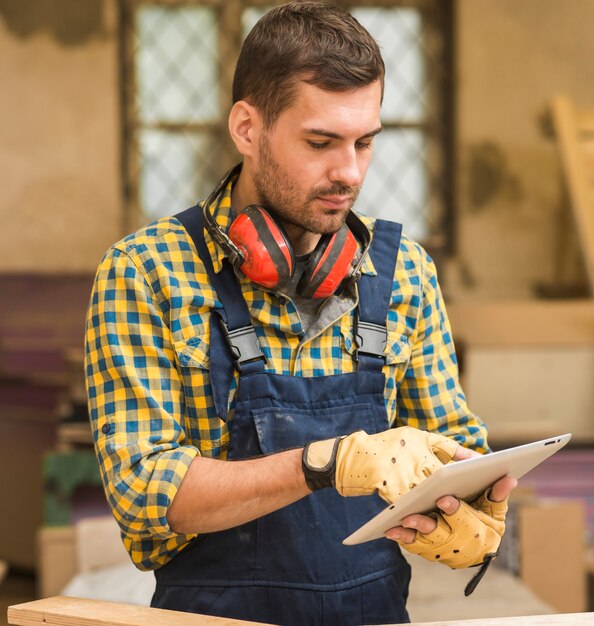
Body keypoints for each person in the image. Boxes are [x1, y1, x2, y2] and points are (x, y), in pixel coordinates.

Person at [85, 2, 516, 625]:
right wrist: (329, 462)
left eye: (365, 142)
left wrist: (466, 507)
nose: (349, 172)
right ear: (247, 128)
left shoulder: (404, 274)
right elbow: (145, 493)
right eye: (320, 142)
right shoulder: (146, 272)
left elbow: (452, 443)